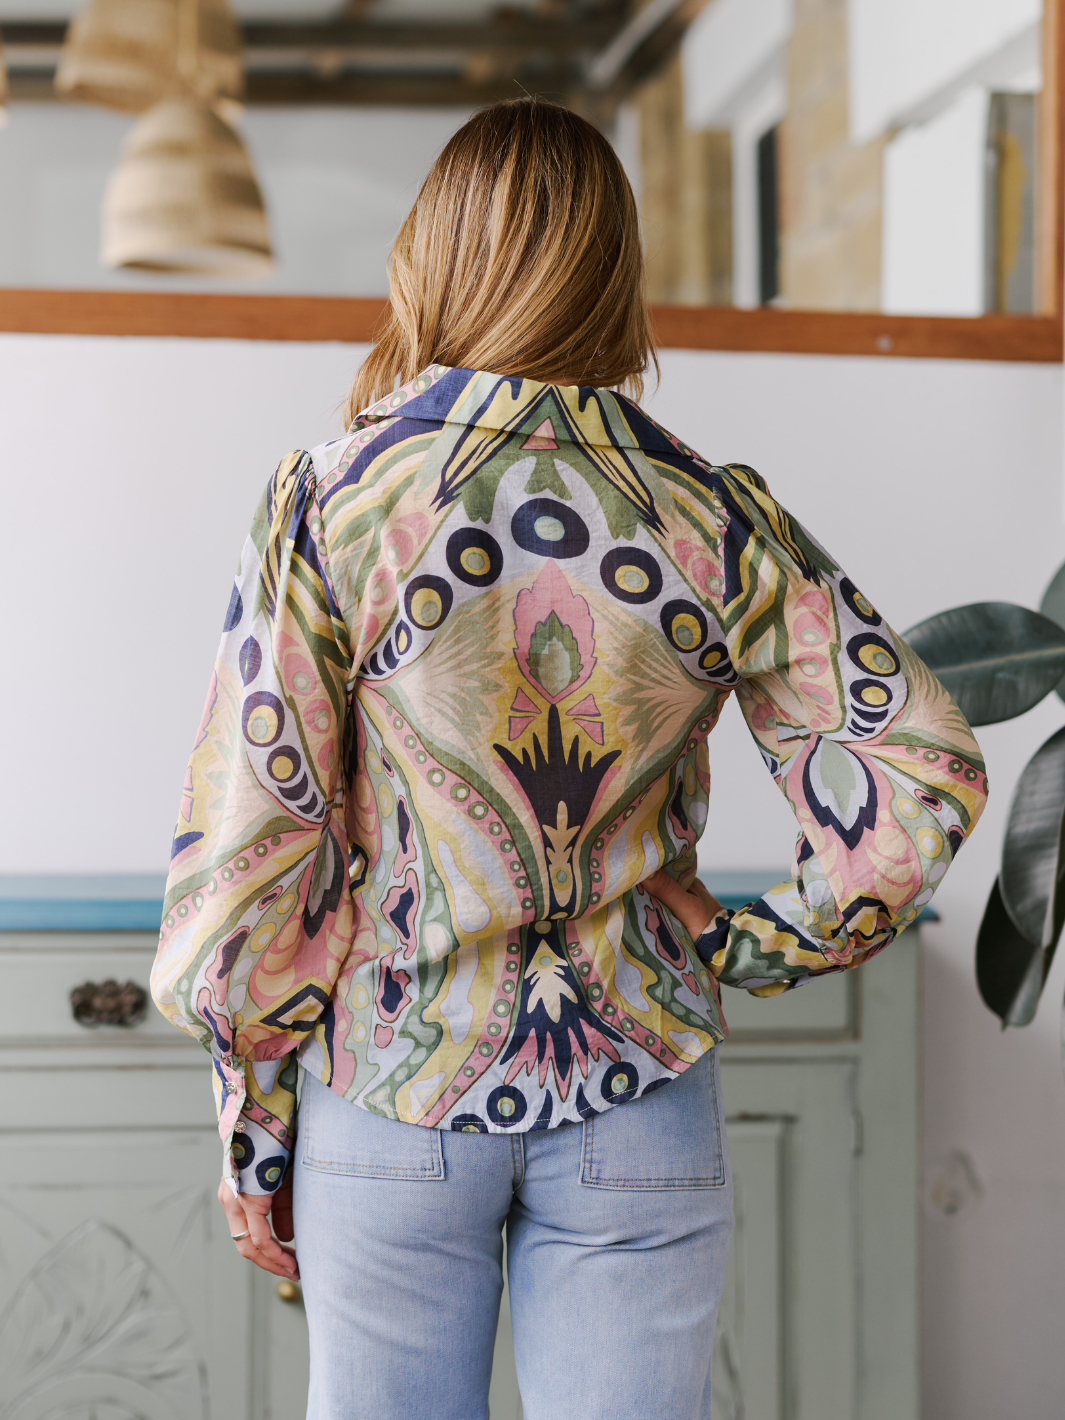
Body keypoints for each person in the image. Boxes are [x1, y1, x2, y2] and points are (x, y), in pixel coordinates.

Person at [151, 97, 987, 1420]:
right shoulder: (712, 513)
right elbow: (920, 769)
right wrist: (752, 945)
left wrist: (255, 1131)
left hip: (392, 1085)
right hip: (637, 1086)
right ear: (615, 277)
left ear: (432, 263)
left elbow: (259, 846)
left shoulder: (330, 504)